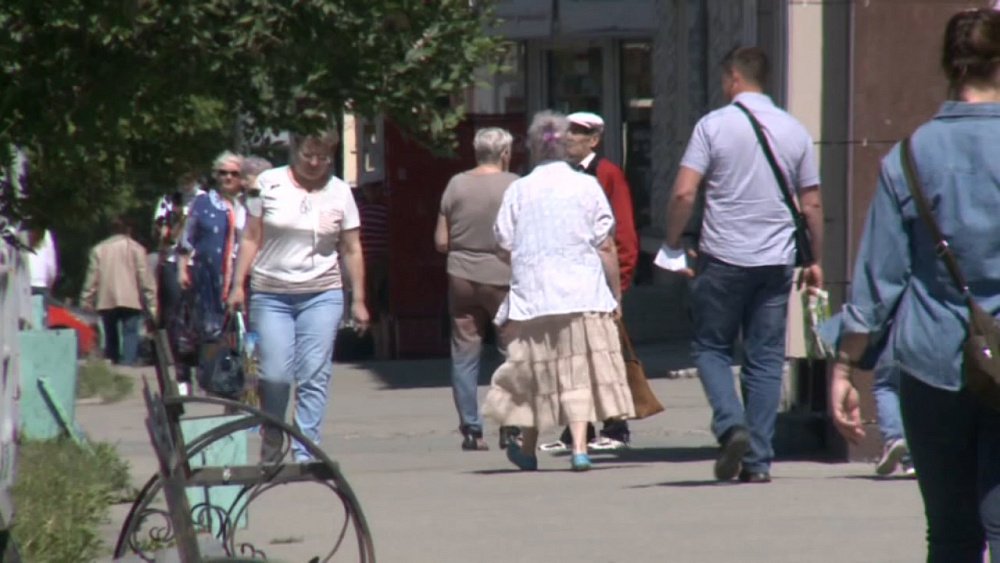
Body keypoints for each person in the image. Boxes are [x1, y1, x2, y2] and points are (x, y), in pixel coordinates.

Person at [830, 9, 1000, 559]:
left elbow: (879, 280)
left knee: (950, 532)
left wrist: (844, 366)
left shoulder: (910, 155)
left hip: (933, 363)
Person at [664, 46, 824, 484]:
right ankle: (758, 460)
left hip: (723, 258)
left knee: (711, 348)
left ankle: (731, 425)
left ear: (733, 78)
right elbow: (810, 204)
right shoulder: (794, 131)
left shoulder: (713, 126)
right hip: (776, 262)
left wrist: (673, 241)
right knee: (766, 358)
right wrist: (815, 259)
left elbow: (684, 193)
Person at [481, 111, 634, 472]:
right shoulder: (586, 186)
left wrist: (528, 258)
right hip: (582, 292)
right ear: (565, 146)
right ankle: (579, 448)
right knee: (575, 371)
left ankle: (529, 450)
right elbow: (606, 245)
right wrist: (616, 294)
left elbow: (502, 242)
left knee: (537, 373)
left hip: (535, 296)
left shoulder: (518, 189)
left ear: (533, 149)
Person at [228, 129, 369, 462]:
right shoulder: (266, 184)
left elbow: (351, 248)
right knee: (273, 374)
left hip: (323, 293)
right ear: (294, 150)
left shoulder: (340, 193)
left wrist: (360, 299)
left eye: (322, 157)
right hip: (271, 293)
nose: (315, 163)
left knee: (314, 372)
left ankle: (306, 449)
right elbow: (250, 237)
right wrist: (237, 284)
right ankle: (274, 433)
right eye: (308, 155)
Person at [542, 111, 639, 453]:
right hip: (572, 282)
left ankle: (616, 426)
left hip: (602, 281)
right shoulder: (564, 175)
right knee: (571, 356)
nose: (569, 138)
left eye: (578, 133)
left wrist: (621, 283)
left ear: (594, 140)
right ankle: (576, 431)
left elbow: (623, 230)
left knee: (605, 355)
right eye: (567, 132)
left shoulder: (607, 173)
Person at [435, 127, 519, 452]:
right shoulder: (514, 185)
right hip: (502, 275)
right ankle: (510, 425)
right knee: (510, 351)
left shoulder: (456, 184)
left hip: (461, 276)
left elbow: (441, 241)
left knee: (465, 352)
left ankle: (471, 429)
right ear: (505, 154)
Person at [178, 151, 245, 392]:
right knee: (210, 331)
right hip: (209, 276)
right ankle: (214, 382)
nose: (228, 177)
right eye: (222, 173)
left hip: (244, 277)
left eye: (234, 173)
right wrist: (181, 269)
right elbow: (187, 238)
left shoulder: (251, 204)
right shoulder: (203, 203)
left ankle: (243, 385)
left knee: (244, 333)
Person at [80, 218, 158, 366]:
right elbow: (145, 279)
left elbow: (92, 278)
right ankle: (128, 366)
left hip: (106, 299)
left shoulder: (98, 250)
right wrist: (152, 304)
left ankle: (113, 365)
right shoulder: (137, 249)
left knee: (110, 335)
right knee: (130, 333)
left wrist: (86, 299)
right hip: (131, 299)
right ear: (129, 230)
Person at [153, 170, 205, 389]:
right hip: (174, 263)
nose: (185, 183)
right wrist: (179, 223)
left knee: (203, 318)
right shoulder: (168, 201)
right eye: (182, 177)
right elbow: (163, 237)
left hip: (201, 264)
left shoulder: (208, 201)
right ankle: (182, 375)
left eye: (189, 176)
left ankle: (205, 370)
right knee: (174, 319)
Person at [357, 180, 391, 359]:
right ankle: (382, 349)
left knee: (376, 303)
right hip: (376, 260)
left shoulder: (362, 211)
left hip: (372, 261)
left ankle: (381, 349)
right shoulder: (383, 211)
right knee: (379, 304)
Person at [25, 227, 57, 297]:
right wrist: (47, 285)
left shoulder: (18, 229)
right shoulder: (46, 234)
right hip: (39, 285)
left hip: (20, 282)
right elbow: (51, 267)